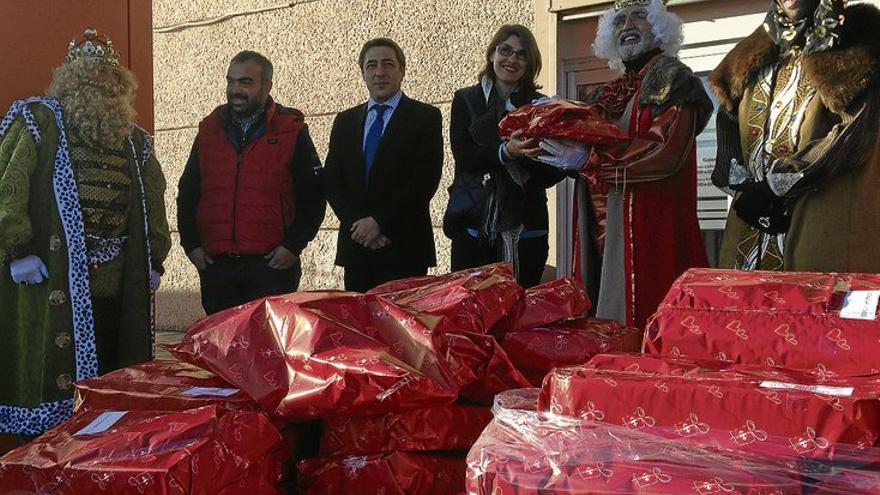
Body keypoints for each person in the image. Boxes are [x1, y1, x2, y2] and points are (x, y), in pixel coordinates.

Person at [0, 28, 171, 437]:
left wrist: (154, 258)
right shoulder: (37, 119)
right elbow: (8, 183)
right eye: (86, 74)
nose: (97, 82)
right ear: (67, 78)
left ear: (120, 85)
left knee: (113, 367)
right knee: (54, 372)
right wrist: (16, 248)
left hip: (116, 282)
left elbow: (153, 201)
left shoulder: (136, 141)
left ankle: (102, 454)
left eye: (106, 75)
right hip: (49, 275)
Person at [538, 0, 712, 329]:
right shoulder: (606, 94)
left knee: (645, 323)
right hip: (600, 232)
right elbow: (581, 145)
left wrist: (590, 159)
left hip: (648, 229)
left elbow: (664, 152)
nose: (627, 25)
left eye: (639, 16)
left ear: (660, 26)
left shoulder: (674, 81)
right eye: (619, 20)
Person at [710, 0, 880, 272]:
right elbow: (728, 122)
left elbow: (855, 132)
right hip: (749, 239)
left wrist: (776, 186)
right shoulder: (751, 53)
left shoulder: (858, 41)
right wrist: (743, 189)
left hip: (821, 234)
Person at [177, 51, 325, 315]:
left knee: (267, 351)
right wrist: (191, 246)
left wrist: (293, 246)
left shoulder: (291, 130)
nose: (235, 90)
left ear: (266, 86)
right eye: (231, 81)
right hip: (217, 267)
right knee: (221, 351)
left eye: (245, 82)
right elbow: (188, 191)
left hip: (271, 267)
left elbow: (313, 194)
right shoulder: (209, 131)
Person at [442, 24, 565, 288]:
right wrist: (504, 152)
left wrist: (524, 155)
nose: (512, 59)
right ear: (492, 54)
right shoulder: (466, 100)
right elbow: (465, 158)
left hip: (526, 227)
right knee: (471, 312)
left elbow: (555, 170)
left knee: (520, 311)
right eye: (505, 50)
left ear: (530, 63)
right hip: (474, 226)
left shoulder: (541, 106)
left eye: (521, 54)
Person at [323, 38, 443, 293]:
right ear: (363, 73)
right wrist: (359, 225)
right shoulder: (345, 121)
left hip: (404, 246)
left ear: (402, 70)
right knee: (359, 329)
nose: (380, 72)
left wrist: (379, 223)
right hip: (357, 248)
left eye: (388, 64)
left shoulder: (425, 118)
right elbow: (332, 180)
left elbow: (424, 180)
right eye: (372, 65)